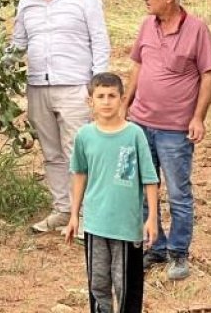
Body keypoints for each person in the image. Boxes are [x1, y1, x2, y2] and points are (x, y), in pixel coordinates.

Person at [9, 0, 110, 234]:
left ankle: (89, 218)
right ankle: (63, 209)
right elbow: (18, 43)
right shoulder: (26, 3)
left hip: (75, 86)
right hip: (38, 85)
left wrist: (97, 84)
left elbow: (100, 40)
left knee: (77, 151)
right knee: (51, 152)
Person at [124, 0, 211, 281]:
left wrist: (198, 117)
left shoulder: (197, 30)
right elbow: (137, 65)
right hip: (140, 123)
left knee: (178, 192)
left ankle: (178, 252)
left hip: (175, 130)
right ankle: (156, 246)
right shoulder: (146, 26)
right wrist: (125, 104)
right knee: (143, 189)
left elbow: (208, 75)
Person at [64, 73, 159, 313]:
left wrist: (152, 219)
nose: (106, 102)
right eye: (100, 96)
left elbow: (149, 179)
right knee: (98, 284)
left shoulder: (134, 134)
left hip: (126, 226)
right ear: (91, 101)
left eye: (112, 96)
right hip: (95, 224)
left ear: (122, 99)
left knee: (126, 285)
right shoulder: (84, 136)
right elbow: (80, 174)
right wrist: (74, 215)